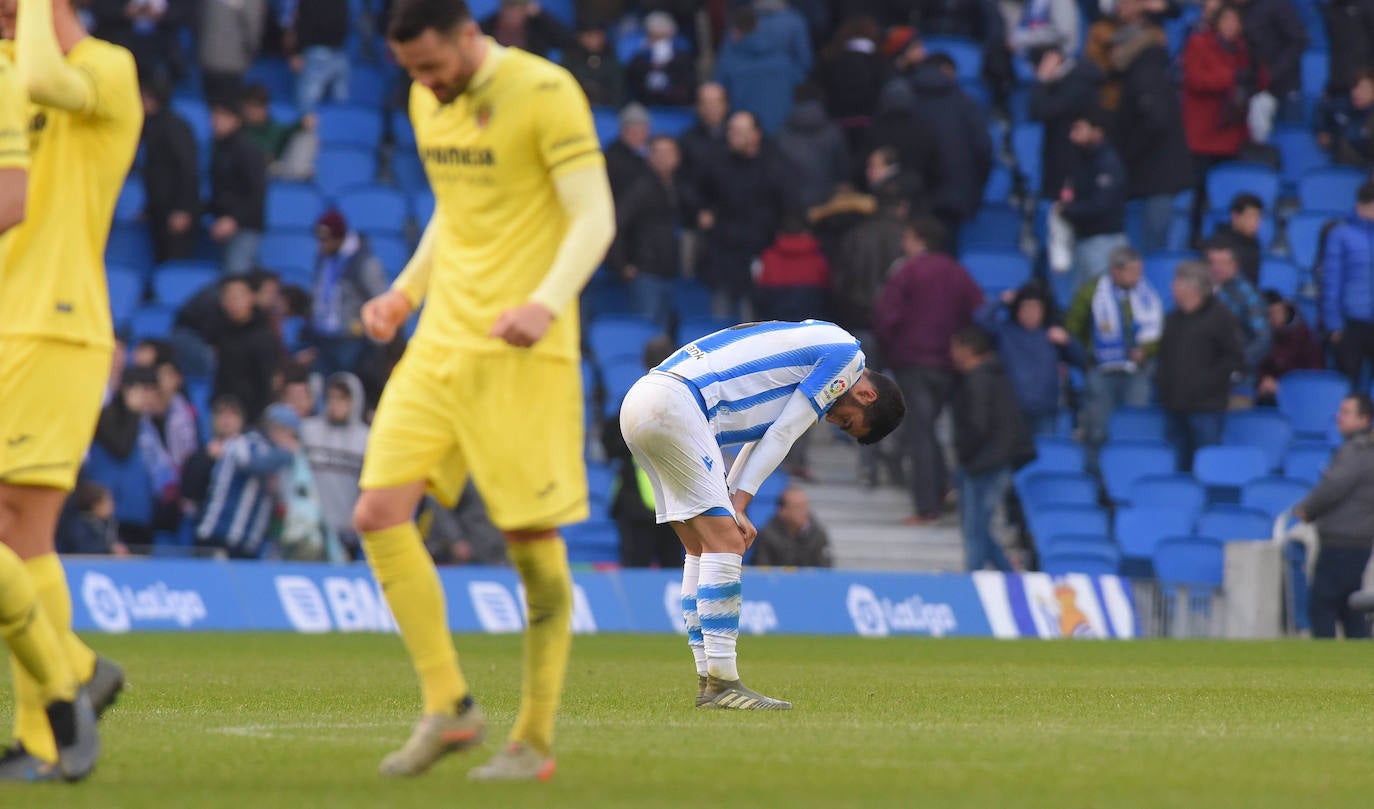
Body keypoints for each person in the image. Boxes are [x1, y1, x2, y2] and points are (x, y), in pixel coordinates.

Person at [355, 0, 615, 781]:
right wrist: (404, 292)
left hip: (521, 352)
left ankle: (533, 738)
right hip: (440, 342)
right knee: (377, 512)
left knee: (531, 547)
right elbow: (455, 211)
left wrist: (545, 301)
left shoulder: (545, 91)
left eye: (433, 67)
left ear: (471, 36)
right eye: (412, 72)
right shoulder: (424, 95)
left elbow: (593, 216)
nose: (425, 86)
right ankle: (450, 706)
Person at [619, 320, 905, 710]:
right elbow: (782, 434)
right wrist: (737, 506)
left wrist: (733, 500)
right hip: (678, 406)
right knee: (727, 540)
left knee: (699, 547)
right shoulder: (847, 357)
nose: (831, 420)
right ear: (867, 394)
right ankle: (723, 683)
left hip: (644, 398)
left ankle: (709, 679)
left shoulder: (810, 345)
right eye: (846, 420)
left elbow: (760, 436)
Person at [0, 0, 142, 780]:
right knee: (14, 534)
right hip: (7, 319)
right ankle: (79, 671)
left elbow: (48, 73)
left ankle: (49, 730)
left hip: (56, 324)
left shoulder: (105, 70)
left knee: (21, 528)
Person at [875, 216, 984, 524]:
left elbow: (886, 316)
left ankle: (927, 506)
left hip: (913, 362)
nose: (903, 243)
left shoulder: (906, 270)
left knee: (920, 433)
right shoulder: (958, 272)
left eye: (907, 237)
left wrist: (891, 349)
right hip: (949, 364)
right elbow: (977, 310)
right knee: (930, 430)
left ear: (919, 239)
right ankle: (945, 487)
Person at [1065, 246, 1164, 467]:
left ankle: (1129, 474)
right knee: (1097, 429)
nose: (1138, 277)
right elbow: (1073, 330)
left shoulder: (1148, 295)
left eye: (1139, 271)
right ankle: (1096, 480)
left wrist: (1146, 351)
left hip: (1137, 372)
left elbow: (1160, 334)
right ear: (1116, 271)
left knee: (1134, 427)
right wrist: (1091, 355)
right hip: (1101, 370)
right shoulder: (1091, 293)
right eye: (1132, 272)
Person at [949, 325, 1036, 572]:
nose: (951, 354)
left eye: (954, 347)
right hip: (997, 460)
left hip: (982, 464)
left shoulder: (979, 379)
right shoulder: (998, 375)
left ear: (967, 350)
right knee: (981, 530)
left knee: (974, 531)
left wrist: (965, 456)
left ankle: (971, 583)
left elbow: (977, 424)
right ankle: (1010, 577)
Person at [1295, 394, 1374, 640]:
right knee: (1351, 608)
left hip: (1343, 538)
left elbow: (1333, 486)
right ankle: (1358, 661)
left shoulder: (1356, 451)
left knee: (1322, 605)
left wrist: (1307, 509)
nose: (1339, 417)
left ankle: (1323, 663)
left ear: (1364, 419)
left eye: (1346, 412)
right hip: (1357, 537)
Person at [602, 336, 682, 569]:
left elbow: (609, 446)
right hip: (671, 503)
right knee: (674, 572)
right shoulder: (684, 404)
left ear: (643, 361)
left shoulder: (629, 403)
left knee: (638, 570)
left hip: (642, 505)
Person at [1156, 261, 1244, 471]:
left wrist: (1208, 385)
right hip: (1174, 407)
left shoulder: (1222, 317)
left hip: (1206, 408)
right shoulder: (1173, 318)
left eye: (1176, 282)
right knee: (1177, 468)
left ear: (1191, 287)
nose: (1172, 287)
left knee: (1207, 466)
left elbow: (1234, 358)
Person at [977, 283, 1085, 436]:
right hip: (1011, 409)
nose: (1030, 313)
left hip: (1045, 409)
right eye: (1026, 308)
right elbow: (980, 319)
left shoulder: (1052, 335)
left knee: (1046, 455)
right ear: (1017, 309)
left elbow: (1081, 360)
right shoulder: (1005, 332)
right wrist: (1002, 300)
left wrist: (1068, 341)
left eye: (1036, 308)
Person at [194, 403, 299, 559]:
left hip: (247, 544)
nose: (292, 441)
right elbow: (255, 463)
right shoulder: (246, 442)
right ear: (277, 428)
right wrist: (287, 453)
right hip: (219, 536)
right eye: (290, 435)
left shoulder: (276, 458)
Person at [612, 135, 688, 329]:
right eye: (658, 152)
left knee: (666, 333)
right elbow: (616, 224)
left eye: (668, 153)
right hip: (645, 271)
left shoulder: (677, 187)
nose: (663, 158)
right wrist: (622, 264)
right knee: (646, 331)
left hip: (670, 272)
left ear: (678, 158)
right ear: (648, 157)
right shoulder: (640, 188)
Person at [306, 209, 389, 377]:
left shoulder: (363, 262)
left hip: (350, 338)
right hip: (323, 335)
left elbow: (379, 298)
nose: (320, 244)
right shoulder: (323, 258)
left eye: (325, 239)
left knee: (347, 384)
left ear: (338, 237)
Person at [1058, 108, 1129, 290]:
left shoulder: (1107, 162)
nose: (1073, 135)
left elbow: (1101, 204)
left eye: (1079, 129)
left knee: (1101, 299)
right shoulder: (1081, 159)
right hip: (1083, 240)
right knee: (1081, 303)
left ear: (1097, 132)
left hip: (1104, 242)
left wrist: (1067, 210)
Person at [301, 374, 369, 559]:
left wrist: (358, 518)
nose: (336, 404)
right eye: (332, 397)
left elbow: (370, 486)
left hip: (347, 530)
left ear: (354, 400)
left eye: (342, 399)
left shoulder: (366, 439)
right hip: (309, 526)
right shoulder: (308, 431)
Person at [139, 75, 199, 263]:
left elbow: (187, 168)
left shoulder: (175, 127)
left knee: (175, 262)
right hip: (159, 210)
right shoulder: (150, 126)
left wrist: (183, 209)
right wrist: (149, 207)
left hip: (175, 211)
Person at [207, 97, 268, 275]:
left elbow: (257, 193)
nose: (215, 121)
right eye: (214, 116)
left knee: (236, 279)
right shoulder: (219, 149)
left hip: (245, 226)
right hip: (225, 223)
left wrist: (234, 219)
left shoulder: (248, 150)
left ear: (235, 119)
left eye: (221, 116)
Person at [1322, 181, 1374, 384]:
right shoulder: (1340, 235)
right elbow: (1331, 282)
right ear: (1362, 206)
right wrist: (1334, 324)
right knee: (1347, 383)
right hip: (1350, 324)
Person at [1206, 239, 1271, 375]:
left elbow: (1262, 337)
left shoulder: (1248, 295)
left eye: (1222, 263)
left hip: (1235, 375)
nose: (1216, 267)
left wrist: (1236, 364)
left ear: (1234, 265)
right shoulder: (1202, 290)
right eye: (1212, 262)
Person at [1256, 291, 1324, 406]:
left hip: (1301, 392)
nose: (1277, 316)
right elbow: (1258, 365)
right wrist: (1264, 379)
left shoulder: (1302, 334)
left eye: (1279, 311)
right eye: (1271, 313)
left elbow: (1315, 368)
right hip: (1269, 392)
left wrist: (1285, 386)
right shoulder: (1261, 337)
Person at [750, 488, 833, 567]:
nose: (804, 511)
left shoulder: (817, 535)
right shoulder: (766, 536)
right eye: (798, 507)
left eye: (805, 506)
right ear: (782, 511)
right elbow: (761, 570)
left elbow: (825, 570)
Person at [1210, 193, 1264, 284]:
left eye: (1258, 217)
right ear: (1235, 217)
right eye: (1250, 216)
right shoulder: (1218, 245)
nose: (1256, 222)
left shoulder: (1254, 244)